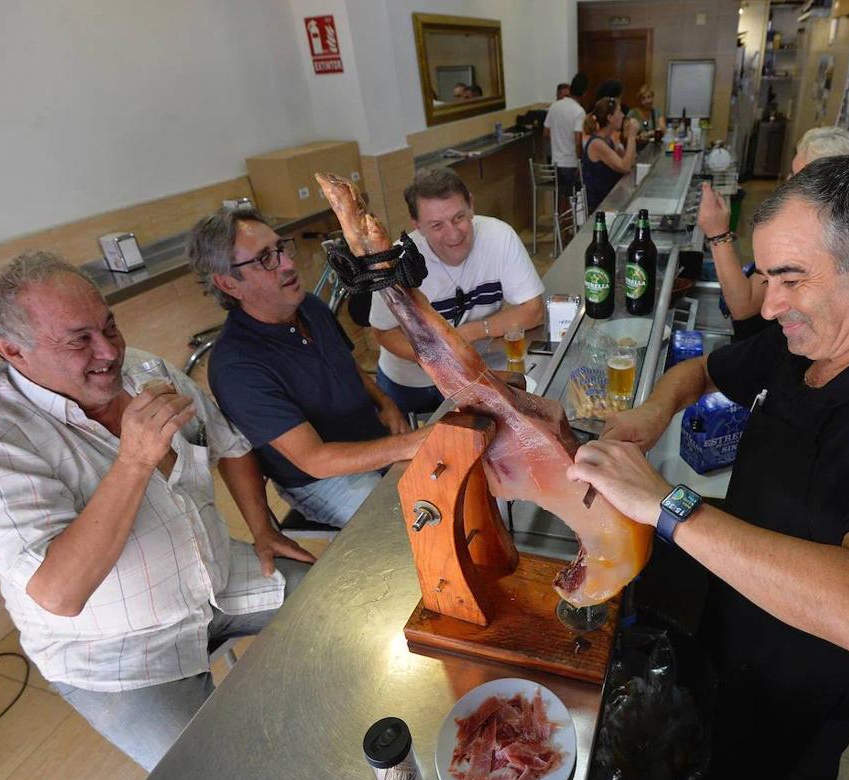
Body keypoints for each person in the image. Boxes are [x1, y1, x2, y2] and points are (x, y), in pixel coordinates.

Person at [568, 157, 849, 780]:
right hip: (732, 618)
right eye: (764, 278)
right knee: (691, 772)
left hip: (802, 684)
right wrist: (652, 414)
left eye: (790, 279)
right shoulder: (805, 341)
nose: (767, 307)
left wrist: (667, 504)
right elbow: (701, 368)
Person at [0, 251, 319, 771]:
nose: (109, 351)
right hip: (117, 653)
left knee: (344, 604)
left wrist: (262, 528)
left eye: (108, 325)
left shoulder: (144, 369)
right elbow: (60, 593)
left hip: (218, 580)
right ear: (11, 349)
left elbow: (225, 442)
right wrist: (135, 459)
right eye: (78, 339)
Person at [188, 208, 429, 527]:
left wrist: (385, 404)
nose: (288, 264)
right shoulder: (236, 367)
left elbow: (347, 366)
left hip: (373, 439)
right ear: (229, 283)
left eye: (280, 248)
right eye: (264, 259)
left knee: (449, 488)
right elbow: (315, 461)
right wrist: (409, 444)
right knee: (409, 524)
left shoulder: (308, 306)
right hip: (323, 480)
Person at [368, 168, 546, 414]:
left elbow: (533, 310)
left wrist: (464, 335)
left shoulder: (499, 236)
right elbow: (383, 332)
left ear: (471, 205)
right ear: (417, 225)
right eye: (437, 225)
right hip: (409, 383)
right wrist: (437, 361)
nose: (453, 234)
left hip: (474, 372)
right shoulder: (397, 262)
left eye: (458, 217)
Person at [700, 126, 849, 340]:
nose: (788, 182)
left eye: (797, 178)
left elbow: (743, 305)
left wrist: (717, 234)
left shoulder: (814, 243)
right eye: (791, 172)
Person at [581, 97, 638, 212]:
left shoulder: (609, 140)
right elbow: (624, 167)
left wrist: (627, 137)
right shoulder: (597, 144)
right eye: (619, 112)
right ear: (610, 118)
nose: (623, 116)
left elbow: (630, 162)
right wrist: (632, 136)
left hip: (611, 199)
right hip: (599, 206)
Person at [544, 73, 589, 196]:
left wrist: (559, 139)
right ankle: (571, 216)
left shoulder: (554, 106)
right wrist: (580, 162)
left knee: (560, 196)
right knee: (573, 198)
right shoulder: (579, 111)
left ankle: (558, 215)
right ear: (585, 93)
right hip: (571, 163)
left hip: (555, 162)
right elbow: (578, 141)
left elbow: (546, 133)